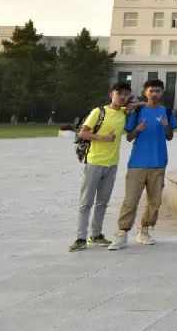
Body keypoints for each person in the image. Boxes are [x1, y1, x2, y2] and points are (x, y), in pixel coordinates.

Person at [109, 79, 176, 250]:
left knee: (155, 201)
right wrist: (137, 129)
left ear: (162, 93)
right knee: (130, 200)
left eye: (158, 91)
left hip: (158, 163)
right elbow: (129, 137)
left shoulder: (167, 112)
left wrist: (166, 126)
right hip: (137, 164)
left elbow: (169, 137)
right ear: (145, 92)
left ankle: (145, 230)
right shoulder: (137, 111)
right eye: (151, 91)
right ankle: (122, 233)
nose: (154, 94)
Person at [69, 82, 132, 252]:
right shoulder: (99, 112)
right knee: (86, 202)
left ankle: (96, 235)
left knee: (102, 202)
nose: (123, 97)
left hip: (112, 164)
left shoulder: (124, 112)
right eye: (119, 93)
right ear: (111, 94)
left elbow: (142, 104)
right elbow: (82, 132)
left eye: (126, 94)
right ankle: (80, 238)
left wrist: (132, 105)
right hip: (94, 162)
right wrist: (103, 138)